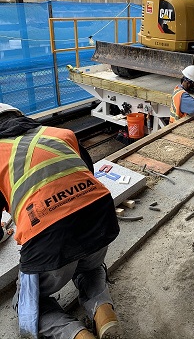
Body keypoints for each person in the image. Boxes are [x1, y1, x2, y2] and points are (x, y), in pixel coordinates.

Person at [0, 103, 123, 339]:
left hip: (49, 236)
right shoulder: (59, 133)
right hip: (99, 216)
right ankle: (104, 314)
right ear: (20, 116)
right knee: (90, 267)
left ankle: (77, 335)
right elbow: (84, 174)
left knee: (28, 303)